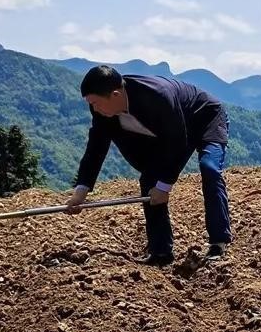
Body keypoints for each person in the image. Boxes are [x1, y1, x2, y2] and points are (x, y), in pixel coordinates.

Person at [65, 65, 231, 268]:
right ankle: (161, 252)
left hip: (205, 118)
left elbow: (177, 143)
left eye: (96, 103)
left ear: (115, 94)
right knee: (149, 178)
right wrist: (81, 190)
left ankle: (219, 241)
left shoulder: (158, 96)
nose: (94, 109)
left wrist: (164, 187)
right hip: (172, 129)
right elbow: (96, 147)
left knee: (210, 168)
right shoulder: (101, 109)